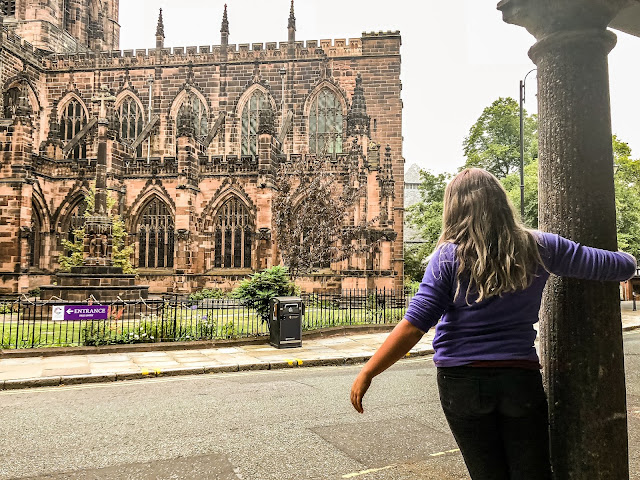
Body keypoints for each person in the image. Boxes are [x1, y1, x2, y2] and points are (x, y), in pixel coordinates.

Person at [350, 168, 636, 480]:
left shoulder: (447, 257)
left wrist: (369, 371)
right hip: (518, 378)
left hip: (461, 382)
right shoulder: (540, 246)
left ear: (454, 207)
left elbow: (415, 324)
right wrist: (627, 257)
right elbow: (619, 267)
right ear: (500, 201)